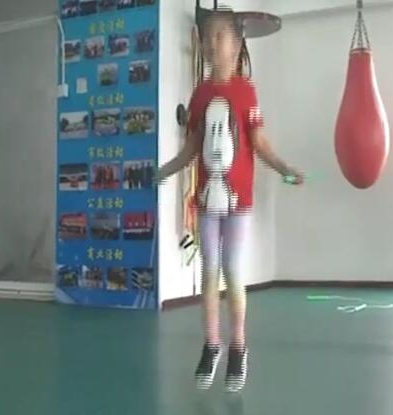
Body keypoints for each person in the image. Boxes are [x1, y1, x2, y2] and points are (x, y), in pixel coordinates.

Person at [155, 11, 304, 393]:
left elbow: (258, 142)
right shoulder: (200, 95)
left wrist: (284, 168)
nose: (211, 43)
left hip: (238, 203)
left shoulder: (245, 91)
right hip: (208, 200)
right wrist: (165, 169)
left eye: (219, 35)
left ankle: (238, 347)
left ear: (236, 45)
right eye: (206, 36)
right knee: (209, 272)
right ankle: (211, 345)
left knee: (233, 272)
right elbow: (191, 147)